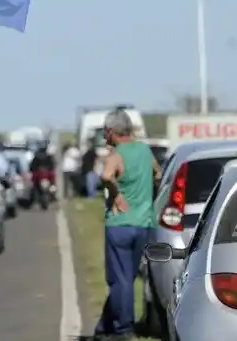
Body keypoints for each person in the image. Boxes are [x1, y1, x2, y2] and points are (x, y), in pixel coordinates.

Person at [94, 109, 161, 341]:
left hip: (119, 224)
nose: (105, 138)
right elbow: (157, 173)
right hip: (143, 224)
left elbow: (105, 176)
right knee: (128, 278)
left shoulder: (116, 155)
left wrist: (117, 194)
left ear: (112, 132)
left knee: (118, 280)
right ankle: (104, 327)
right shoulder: (144, 150)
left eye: (105, 133)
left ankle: (123, 329)